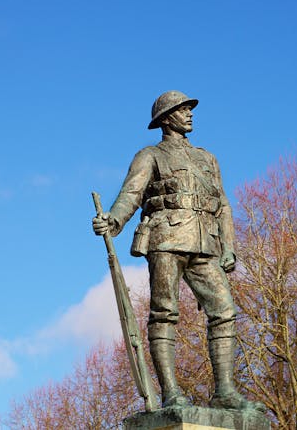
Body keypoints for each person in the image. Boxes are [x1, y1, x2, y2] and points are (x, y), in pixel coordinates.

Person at [92, 90, 265, 412]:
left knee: (224, 310)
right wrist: (113, 220)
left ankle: (224, 391)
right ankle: (171, 393)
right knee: (164, 313)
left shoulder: (207, 158)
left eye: (189, 109)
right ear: (166, 118)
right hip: (166, 238)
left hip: (205, 242)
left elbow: (223, 205)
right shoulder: (150, 155)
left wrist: (229, 246)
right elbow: (131, 193)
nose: (190, 114)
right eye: (183, 109)